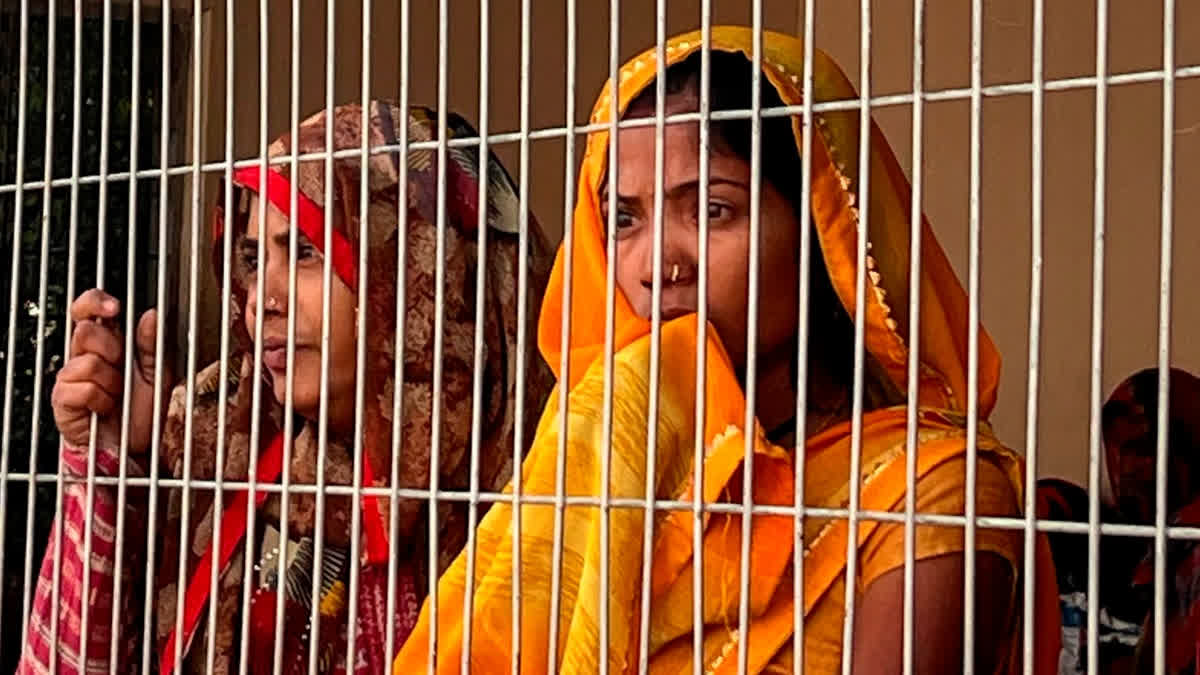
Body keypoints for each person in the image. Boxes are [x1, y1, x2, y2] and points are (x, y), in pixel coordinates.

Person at [394, 27, 1060, 674]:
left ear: (825, 230)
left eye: (712, 210)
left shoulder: (933, 491)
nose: (658, 263)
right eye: (624, 218)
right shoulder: (604, 471)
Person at [18, 102, 555, 674]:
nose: (261, 299)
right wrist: (116, 464)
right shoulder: (217, 437)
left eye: (303, 251)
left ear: (427, 270)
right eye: (253, 258)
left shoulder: (556, 469)